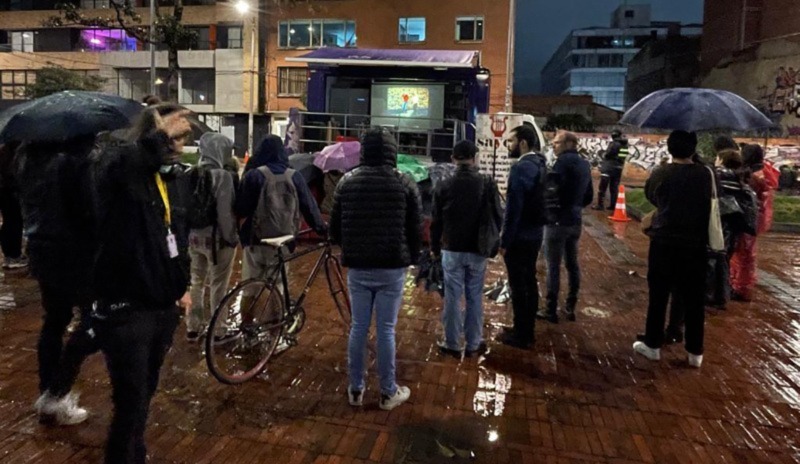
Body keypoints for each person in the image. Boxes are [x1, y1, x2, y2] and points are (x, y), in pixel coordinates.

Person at [89, 103, 193, 463]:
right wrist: (157, 136)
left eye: (183, 139)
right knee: (130, 400)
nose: (178, 146)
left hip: (162, 306)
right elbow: (116, 169)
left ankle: (136, 452)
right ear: (152, 134)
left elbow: (177, 237)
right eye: (173, 137)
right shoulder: (118, 167)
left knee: (145, 393)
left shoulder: (173, 181)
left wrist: (184, 285)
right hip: (125, 307)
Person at [330, 128, 422, 410]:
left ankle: (355, 389)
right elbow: (415, 228)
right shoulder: (404, 182)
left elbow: (335, 230)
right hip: (392, 266)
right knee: (386, 329)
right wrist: (414, 257)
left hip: (358, 266)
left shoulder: (347, 182)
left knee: (358, 327)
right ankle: (387, 392)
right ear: (392, 151)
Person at [15, 135, 99, 425]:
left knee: (54, 321)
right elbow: (89, 211)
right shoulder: (74, 161)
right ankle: (57, 392)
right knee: (95, 320)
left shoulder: (25, 159)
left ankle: (48, 390)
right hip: (76, 254)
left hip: (41, 249)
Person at [633, 130, 712, 368]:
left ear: (669, 148)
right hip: (696, 243)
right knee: (694, 299)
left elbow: (651, 196)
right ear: (694, 148)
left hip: (664, 241)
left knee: (658, 295)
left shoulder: (661, 173)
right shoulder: (706, 174)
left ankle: (653, 345)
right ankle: (695, 352)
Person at [430, 140, 502, 358]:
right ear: (474, 157)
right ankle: (473, 342)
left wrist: (434, 248)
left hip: (451, 248)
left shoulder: (443, 184)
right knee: (474, 295)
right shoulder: (486, 182)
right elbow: (498, 215)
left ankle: (452, 342)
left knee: (452, 296)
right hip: (478, 249)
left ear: (453, 159)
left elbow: (436, 221)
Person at [235, 135, 326, 283]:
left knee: (249, 286)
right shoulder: (294, 176)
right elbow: (309, 207)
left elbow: (241, 209)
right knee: (278, 287)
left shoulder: (253, 175)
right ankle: (277, 305)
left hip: (255, 241)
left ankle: (250, 306)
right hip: (284, 240)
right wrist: (321, 228)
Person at [496, 125, 548, 349]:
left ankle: (522, 333)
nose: (508, 146)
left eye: (511, 141)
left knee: (519, 284)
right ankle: (526, 328)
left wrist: (504, 241)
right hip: (536, 233)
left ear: (523, 143)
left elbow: (513, 209)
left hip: (520, 236)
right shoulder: (541, 163)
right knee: (529, 280)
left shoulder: (521, 168)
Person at [185, 133, 239, 343]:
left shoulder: (190, 172)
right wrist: (231, 237)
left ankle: (193, 327)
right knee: (219, 285)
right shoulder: (222, 176)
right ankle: (219, 330)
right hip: (217, 240)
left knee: (196, 282)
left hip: (193, 238)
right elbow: (224, 213)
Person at [537, 131, 593, 323]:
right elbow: (589, 196)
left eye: (557, 143)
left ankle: (550, 309)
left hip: (557, 221)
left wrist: (550, 211)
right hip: (575, 221)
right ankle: (570, 305)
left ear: (569, 143)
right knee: (572, 264)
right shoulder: (585, 164)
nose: (554, 146)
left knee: (553, 265)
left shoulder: (561, 164)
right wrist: (575, 206)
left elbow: (550, 191)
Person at [729, 144, 779, 302]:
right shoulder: (765, 172)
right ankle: (740, 285)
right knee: (746, 253)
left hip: (747, 218)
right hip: (757, 218)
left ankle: (740, 287)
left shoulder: (753, 176)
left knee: (743, 254)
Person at [0, 142, 27, 270]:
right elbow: (9, 170)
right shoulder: (8, 149)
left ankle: (10, 255)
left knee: (10, 221)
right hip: (8, 189)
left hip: (5, 188)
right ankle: (13, 255)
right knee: (14, 221)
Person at [594, 130, 628, 210]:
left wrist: (605, 155)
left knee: (602, 187)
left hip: (608, 168)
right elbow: (623, 157)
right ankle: (613, 205)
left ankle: (600, 205)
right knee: (614, 187)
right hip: (618, 168)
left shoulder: (613, 144)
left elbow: (608, 154)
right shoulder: (625, 145)